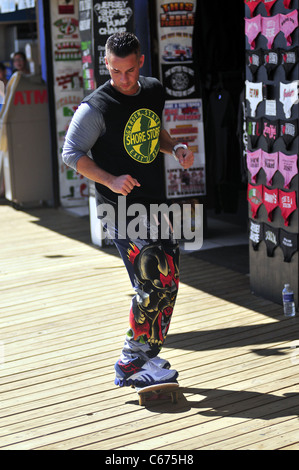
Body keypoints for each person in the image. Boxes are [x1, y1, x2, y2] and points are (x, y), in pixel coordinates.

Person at [62, 32, 194, 389]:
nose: (124, 78)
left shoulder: (152, 90)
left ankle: (147, 356)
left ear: (140, 63)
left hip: (153, 202)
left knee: (168, 283)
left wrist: (175, 147)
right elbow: (71, 154)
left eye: (130, 70)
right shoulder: (95, 107)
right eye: (116, 71)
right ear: (106, 64)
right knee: (153, 283)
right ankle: (129, 359)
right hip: (120, 210)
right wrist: (110, 179)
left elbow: (153, 131)